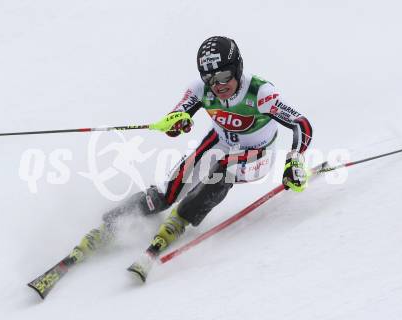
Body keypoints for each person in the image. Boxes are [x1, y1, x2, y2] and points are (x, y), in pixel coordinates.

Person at [66, 36, 313, 282]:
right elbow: (179, 114)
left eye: (224, 76)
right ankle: (112, 223)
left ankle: (182, 217)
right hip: (220, 142)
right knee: (166, 193)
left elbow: (301, 124)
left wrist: (294, 160)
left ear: (237, 67)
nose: (218, 85)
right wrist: (175, 121)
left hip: (257, 155)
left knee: (222, 169)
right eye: (210, 78)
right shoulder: (200, 89)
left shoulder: (260, 92)